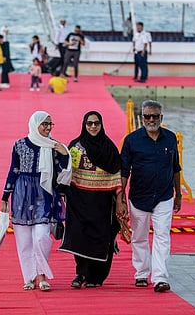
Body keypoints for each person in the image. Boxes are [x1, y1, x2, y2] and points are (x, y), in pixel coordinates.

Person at [0, 111, 72, 291]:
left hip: (45, 194)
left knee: (41, 237)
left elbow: (62, 173)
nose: (48, 128)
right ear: (35, 124)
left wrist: (64, 154)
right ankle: (29, 277)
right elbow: (13, 170)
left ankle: (42, 275)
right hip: (22, 195)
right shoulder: (19, 145)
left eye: (50, 124)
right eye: (44, 124)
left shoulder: (54, 146)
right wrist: (5, 197)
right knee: (24, 241)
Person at [59, 111, 127, 289]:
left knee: (101, 237)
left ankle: (96, 276)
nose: (93, 127)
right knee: (79, 235)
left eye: (96, 123)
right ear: (84, 125)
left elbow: (117, 174)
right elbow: (66, 172)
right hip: (79, 201)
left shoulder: (109, 148)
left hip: (102, 203)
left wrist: (120, 199)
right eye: (89, 123)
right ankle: (81, 273)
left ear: (101, 125)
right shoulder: (75, 146)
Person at [120, 100, 182, 293]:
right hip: (139, 196)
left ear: (161, 118)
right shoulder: (131, 140)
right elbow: (124, 171)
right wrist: (120, 196)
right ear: (142, 117)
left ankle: (160, 277)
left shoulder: (171, 138)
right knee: (139, 237)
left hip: (164, 195)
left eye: (155, 116)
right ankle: (141, 273)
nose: (151, 119)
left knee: (162, 236)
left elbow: (175, 168)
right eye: (148, 116)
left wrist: (178, 194)